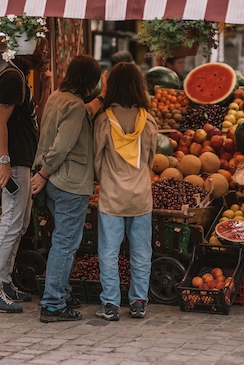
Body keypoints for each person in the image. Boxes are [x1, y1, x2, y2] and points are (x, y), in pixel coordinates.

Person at [30, 55, 107, 323]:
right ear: (90, 81)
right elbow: (62, 145)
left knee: (59, 241)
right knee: (65, 244)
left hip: (54, 183)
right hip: (69, 182)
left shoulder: (56, 98)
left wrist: (43, 173)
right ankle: (52, 304)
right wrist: (44, 172)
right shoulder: (75, 106)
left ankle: (60, 292)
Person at [0, 52, 42, 313]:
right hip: (13, 163)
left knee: (20, 223)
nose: (43, 53)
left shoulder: (19, 77)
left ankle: (3, 281)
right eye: (39, 47)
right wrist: (4, 161)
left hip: (20, 161)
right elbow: (0, 121)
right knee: (10, 223)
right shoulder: (13, 78)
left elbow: (27, 119)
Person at [93, 62, 158, 321]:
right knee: (141, 251)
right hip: (141, 196)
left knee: (109, 251)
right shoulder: (148, 120)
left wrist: (104, 177)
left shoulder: (103, 120)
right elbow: (151, 159)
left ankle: (110, 304)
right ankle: (139, 301)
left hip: (111, 196)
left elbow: (96, 160)